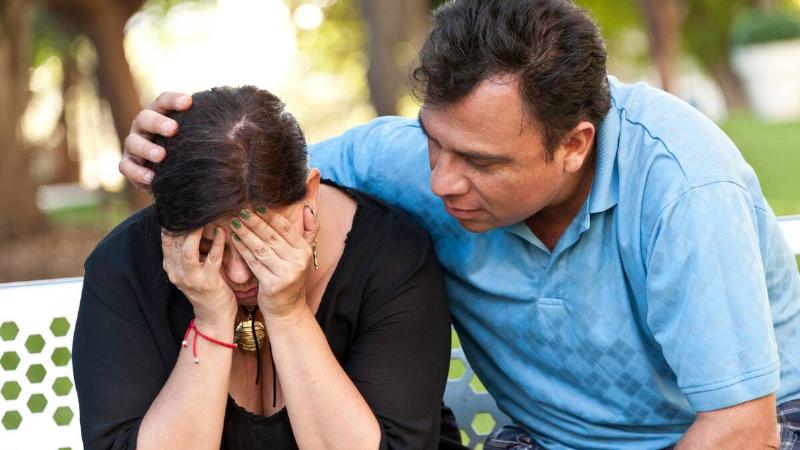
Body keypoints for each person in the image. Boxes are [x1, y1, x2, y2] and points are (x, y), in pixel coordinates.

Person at [119, 1, 800, 448]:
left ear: (574, 145)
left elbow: (743, 426)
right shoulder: (406, 165)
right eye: (434, 142)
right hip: (546, 439)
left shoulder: (683, 187)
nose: (441, 180)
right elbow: (260, 171)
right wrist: (168, 153)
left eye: (478, 161)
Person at [73, 86, 456, 450]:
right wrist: (211, 323)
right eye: (210, 248)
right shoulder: (122, 268)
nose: (239, 275)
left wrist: (288, 314)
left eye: (263, 241)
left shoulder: (393, 258)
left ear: (310, 192)